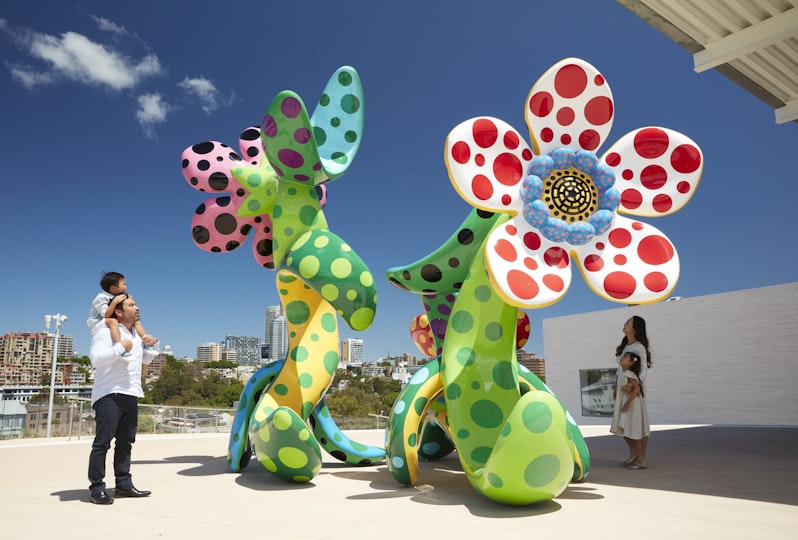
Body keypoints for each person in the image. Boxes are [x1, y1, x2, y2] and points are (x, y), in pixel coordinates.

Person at [87, 295, 158, 504]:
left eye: (136, 304)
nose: (137, 308)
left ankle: (124, 485)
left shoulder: (136, 333)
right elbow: (96, 359)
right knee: (102, 444)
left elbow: (142, 360)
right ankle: (96, 488)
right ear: (118, 311)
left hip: (131, 393)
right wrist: (121, 347)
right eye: (131, 305)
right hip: (109, 394)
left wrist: (151, 345)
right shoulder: (105, 330)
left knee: (126, 442)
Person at [87, 271, 157, 359]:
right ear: (113, 288)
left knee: (136, 322)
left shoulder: (118, 295)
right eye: (124, 284)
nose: (126, 286)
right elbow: (106, 315)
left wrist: (128, 299)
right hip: (98, 323)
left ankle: (146, 341)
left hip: (110, 320)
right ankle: (120, 346)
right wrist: (116, 301)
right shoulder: (100, 298)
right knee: (113, 321)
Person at [614, 315, 653, 468]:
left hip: (633, 389)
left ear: (635, 328)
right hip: (622, 388)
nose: (625, 324)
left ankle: (641, 458)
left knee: (635, 423)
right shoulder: (625, 347)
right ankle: (634, 455)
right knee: (623, 423)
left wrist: (633, 386)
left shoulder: (639, 348)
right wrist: (614, 387)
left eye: (628, 322)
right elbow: (619, 369)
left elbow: (643, 369)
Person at [610, 351, 649, 469]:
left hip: (632, 405)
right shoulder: (622, 371)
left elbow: (636, 389)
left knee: (633, 431)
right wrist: (615, 390)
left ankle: (641, 460)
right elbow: (617, 382)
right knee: (625, 431)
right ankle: (633, 455)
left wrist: (627, 404)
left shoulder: (630, 374)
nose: (623, 358)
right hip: (623, 403)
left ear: (632, 363)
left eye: (626, 357)